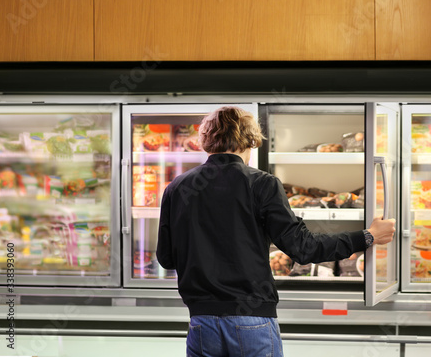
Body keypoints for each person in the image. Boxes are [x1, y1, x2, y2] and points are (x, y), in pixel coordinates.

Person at [156, 106, 396, 357]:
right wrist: (367, 236)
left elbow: (166, 258)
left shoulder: (177, 187)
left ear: (206, 141)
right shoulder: (262, 183)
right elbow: (304, 248)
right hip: (251, 321)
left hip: (201, 324)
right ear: (250, 140)